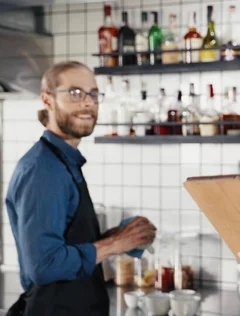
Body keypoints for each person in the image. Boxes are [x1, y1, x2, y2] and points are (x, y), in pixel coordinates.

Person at [5, 61, 157, 316]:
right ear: (48, 100)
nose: (88, 102)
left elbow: (64, 242)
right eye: (75, 93)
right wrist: (114, 244)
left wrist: (117, 236)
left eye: (94, 94)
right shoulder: (43, 170)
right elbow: (44, 265)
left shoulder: (65, 162)